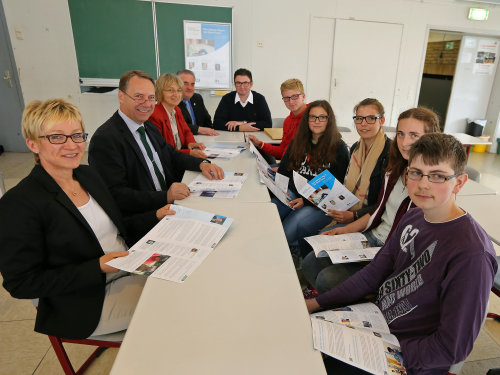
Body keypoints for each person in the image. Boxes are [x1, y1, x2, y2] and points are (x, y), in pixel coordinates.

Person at [306, 133, 497, 374]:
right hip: (376, 322)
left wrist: (379, 350)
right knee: (302, 338)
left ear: (459, 183)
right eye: (416, 172)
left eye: (438, 176)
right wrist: (316, 303)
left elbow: (452, 348)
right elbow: (372, 274)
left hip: (407, 358)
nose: (424, 184)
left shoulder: (471, 255)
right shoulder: (414, 216)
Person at [0, 99, 175, 340]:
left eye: (77, 135)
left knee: (191, 280)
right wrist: (98, 267)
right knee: (174, 308)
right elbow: (21, 283)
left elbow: (116, 230)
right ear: (32, 144)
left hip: (129, 265)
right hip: (87, 300)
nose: (72, 145)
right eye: (57, 137)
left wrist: (155, 215)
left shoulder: (87, 175)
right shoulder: (20, 203)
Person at [301, 107, 441, 293]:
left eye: (414, 135)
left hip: (393, 252)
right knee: (311, 261)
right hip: (374, 236)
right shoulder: (394, 169)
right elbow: (378, 211)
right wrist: (344, 231)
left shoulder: (431, 185)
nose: (405, 142)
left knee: (328, 279)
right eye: (400, 134)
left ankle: (352, 301)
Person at [89, 70, 224, 219]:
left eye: (151, 98)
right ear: (121, 96)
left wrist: (201, 164)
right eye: (139, 97)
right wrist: (166, 197)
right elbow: (117, 195)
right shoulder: (105, 139)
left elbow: (171, 154)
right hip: (147, 216)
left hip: (170, 203)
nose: (147, 104)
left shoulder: (147, 126)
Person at [272, 100, 349, 246]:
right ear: (307, 120)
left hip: (320, 202)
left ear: (329, 120)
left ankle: (281, 252)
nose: (317, 121)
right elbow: (283, 170)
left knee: (291, 226)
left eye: (322, 117)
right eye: (312, 117)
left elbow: (336, 185)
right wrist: (283, 190)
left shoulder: (339, 147)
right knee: (271, 212)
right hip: (294, 194)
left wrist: (306, 200)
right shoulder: (298, 141)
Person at [325, 98, 391, 226]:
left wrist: (355, 215)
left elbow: (386, 202)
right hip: (345, 209)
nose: (363, 123)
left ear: (382, 120)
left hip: (370, 218)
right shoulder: (355, 147)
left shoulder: (390, 153)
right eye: (359, 118)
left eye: (371, 118)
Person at [149, 73, 207, 158]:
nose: (176, 94)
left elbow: (186, 131)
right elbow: (163, 150)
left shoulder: (176, 110)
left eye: (179, 90)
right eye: (170, 90)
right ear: (160, 91)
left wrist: (191, 143)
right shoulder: (154, 115)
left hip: (180, 157)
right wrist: (189, 153)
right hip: (169, 162)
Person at [247, 78, 307, 161]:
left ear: (303, 96)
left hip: (303, 171)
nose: (291, 102)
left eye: (295, 97)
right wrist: (260, 144)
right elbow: (282, 151)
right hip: (287, 167)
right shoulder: (288, 121)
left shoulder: (314, 118)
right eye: (286, 98)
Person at [177, 69, 219, 136]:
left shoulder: (197, 98)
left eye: (192, 84)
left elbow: (207, 120)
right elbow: (179, 125)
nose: (189, 88)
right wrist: (199, 130)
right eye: (185, 84)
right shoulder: (173, 102)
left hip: (202, 139)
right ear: (177, 84)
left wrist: (210, 134)